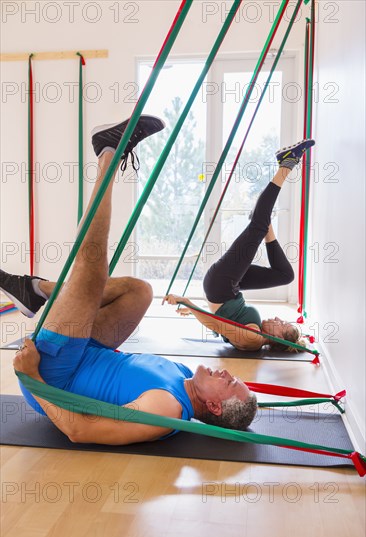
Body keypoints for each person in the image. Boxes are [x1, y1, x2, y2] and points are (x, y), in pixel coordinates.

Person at [0, 115, 258, 445]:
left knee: (91, 269)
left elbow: (81, 431)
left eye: (231, 383)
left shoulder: (166, 409)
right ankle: (37, 292)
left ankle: (109, 150)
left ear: (213, 407)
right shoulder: (182, 376)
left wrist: (31, 375)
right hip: (87, 352)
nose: (228, 374)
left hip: (54, 376)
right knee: (140, 291)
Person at [164, 139, 315, 352]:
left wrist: (186, 303)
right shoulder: (257, 330)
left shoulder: (253, 338)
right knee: (285, 275)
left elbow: (218, 325)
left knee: (258, 224)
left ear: (278, 339)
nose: (279, 318)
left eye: (282, 325)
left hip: (221, 285)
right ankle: (264, 224)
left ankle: (286, 165)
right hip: (230, 287)